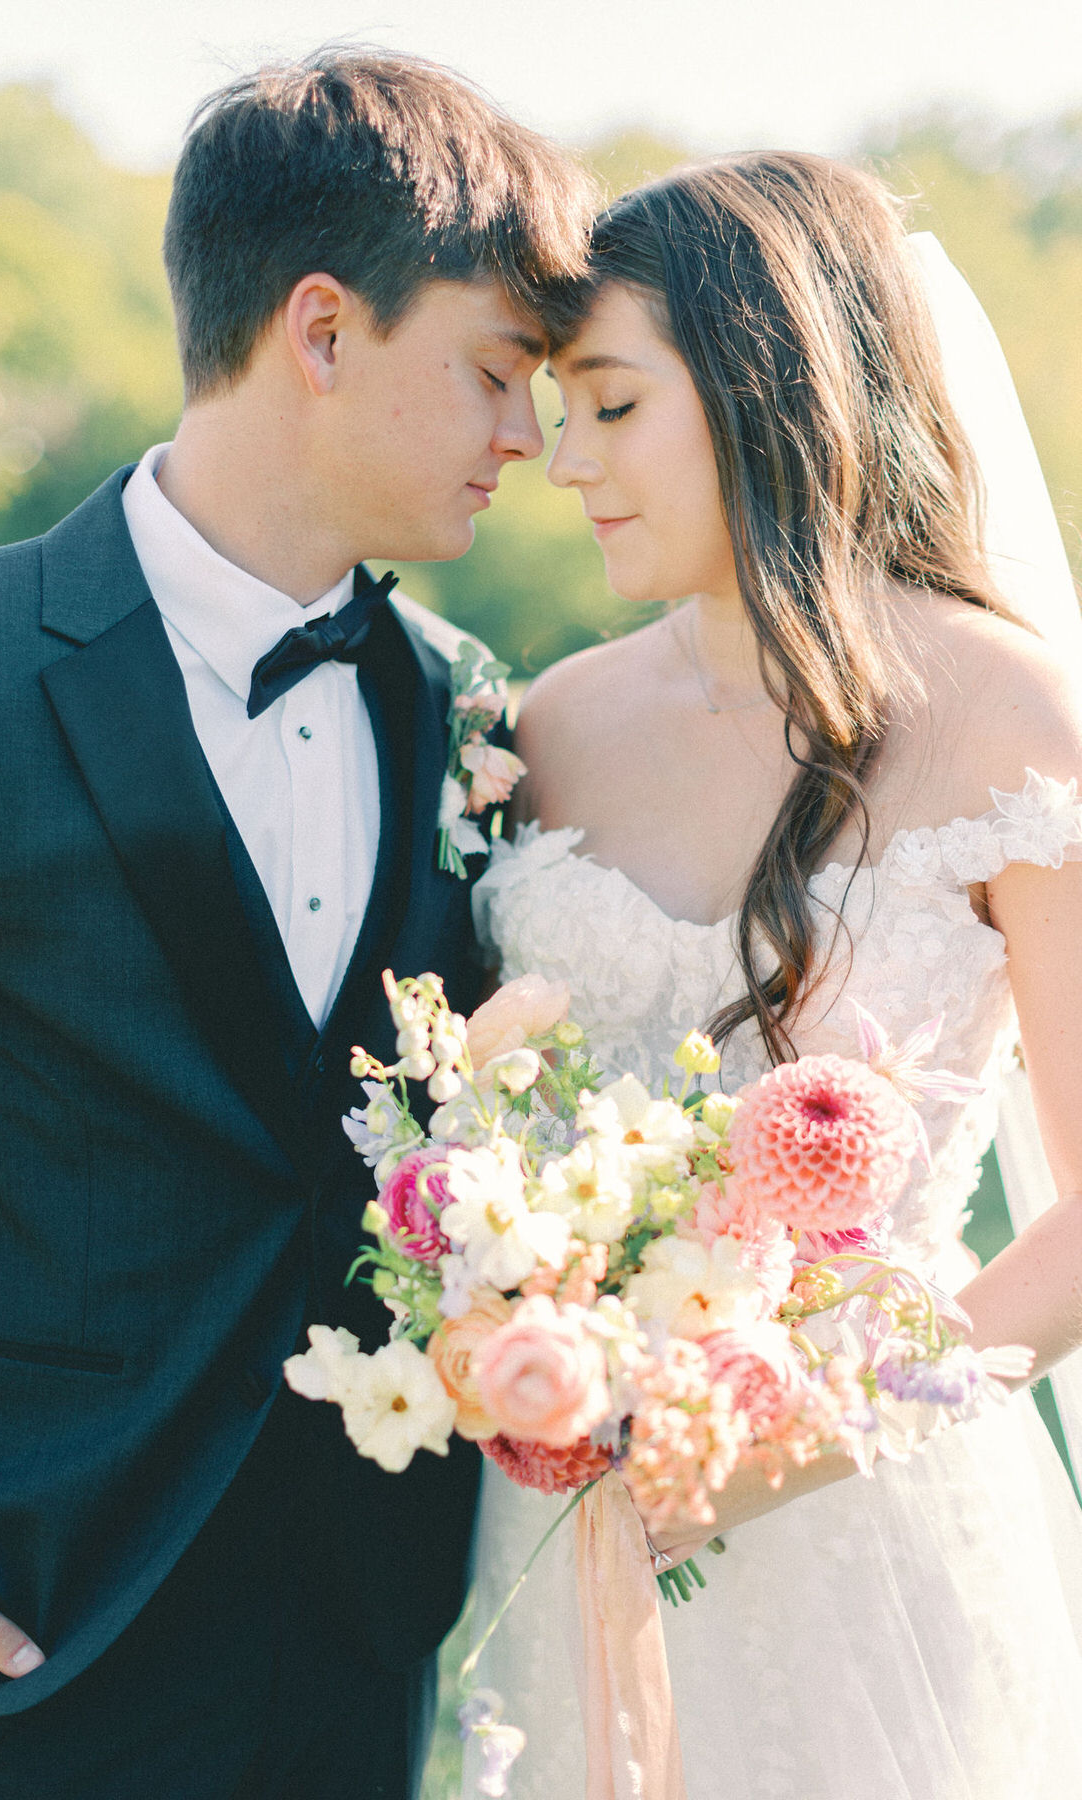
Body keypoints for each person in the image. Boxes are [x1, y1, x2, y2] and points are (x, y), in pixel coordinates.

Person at [0, 47, 593, 1800]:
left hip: (357, 1646)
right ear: (324, 331)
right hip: (12, 1644)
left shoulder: (462, 707)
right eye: (498, 374)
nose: (530, 439)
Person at [468, 153, 1082, 1798]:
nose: (560, 461)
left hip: (877, 1516)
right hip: (567, 1519)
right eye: (552, 409)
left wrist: (786, 1442)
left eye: (608, 406)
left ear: (761, 390)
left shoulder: (1015, 721)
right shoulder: (551, 728)